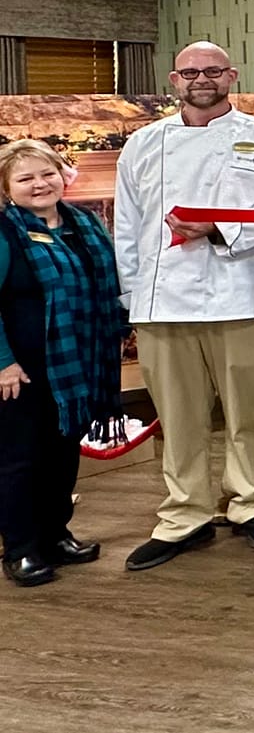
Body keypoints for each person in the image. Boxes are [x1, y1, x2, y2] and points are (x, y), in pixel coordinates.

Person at [116, 42, 254, 570]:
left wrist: (217, 227)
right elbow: (127, 227)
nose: (202, 79)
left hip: (239, 292)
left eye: (212, 71)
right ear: (175, 80)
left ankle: (250, 501)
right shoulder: (143, 145)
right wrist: (132, 296)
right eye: (191, 72)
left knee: (248, 410)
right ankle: (185, 515)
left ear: (231, 76)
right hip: (162, 301)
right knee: (179, 415)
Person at [0, 141, 124, 587]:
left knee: (62, 452)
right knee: (20, 459)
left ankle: (55, 535)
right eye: (25, 178)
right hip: (23, 370)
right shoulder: (4, 232)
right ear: (7, 188)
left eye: (46, 173)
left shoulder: (84, 223)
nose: (39, 184)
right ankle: (20, 548)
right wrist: (3, 363)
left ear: (61, 175)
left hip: (76, 363)